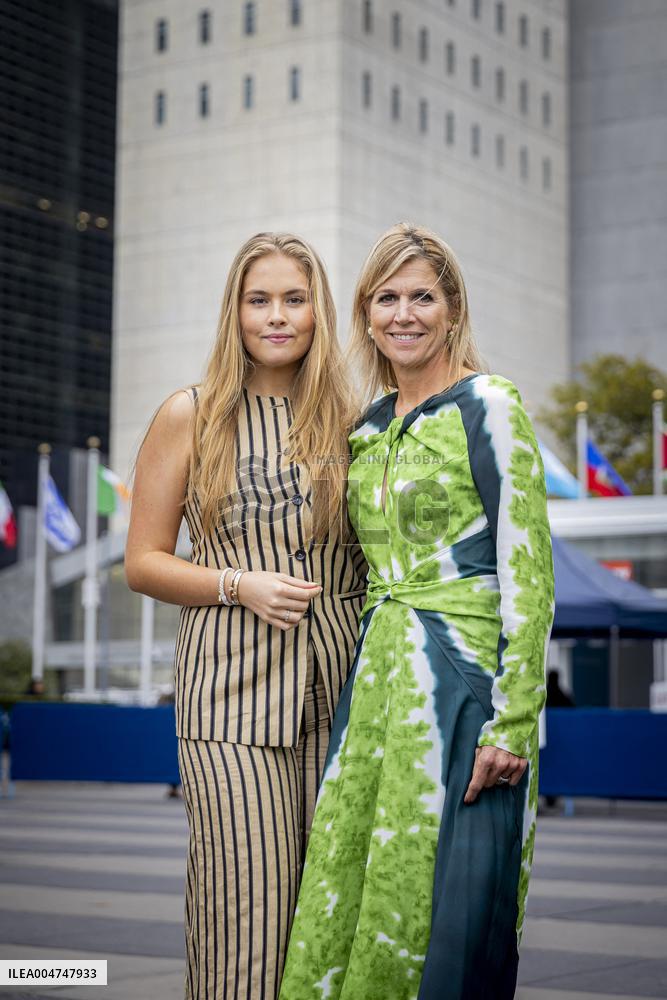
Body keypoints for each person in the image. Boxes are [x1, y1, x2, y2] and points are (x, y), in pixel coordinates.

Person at [279, 223, 555, 1000]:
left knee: (449, 912)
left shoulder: (490, 405)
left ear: (452, 309)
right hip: (373, 694)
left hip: (463, 687)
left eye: (422, 298)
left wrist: (512, 723)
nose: (404, 314)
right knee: (348, 893)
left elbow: (528, 571)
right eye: (386, 298)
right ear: (365, 314)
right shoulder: (364, 428)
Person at [125, 232, 367, 1000]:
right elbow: (143, 561)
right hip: (229, 700)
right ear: (234, 311)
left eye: (294, 299)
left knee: (326, 921)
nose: (276, 316)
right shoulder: (190, 414)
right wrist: (237, 584)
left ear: (318, 311)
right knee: (247, 918)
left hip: (342, 704)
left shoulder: (356, 422)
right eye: (258, 299)